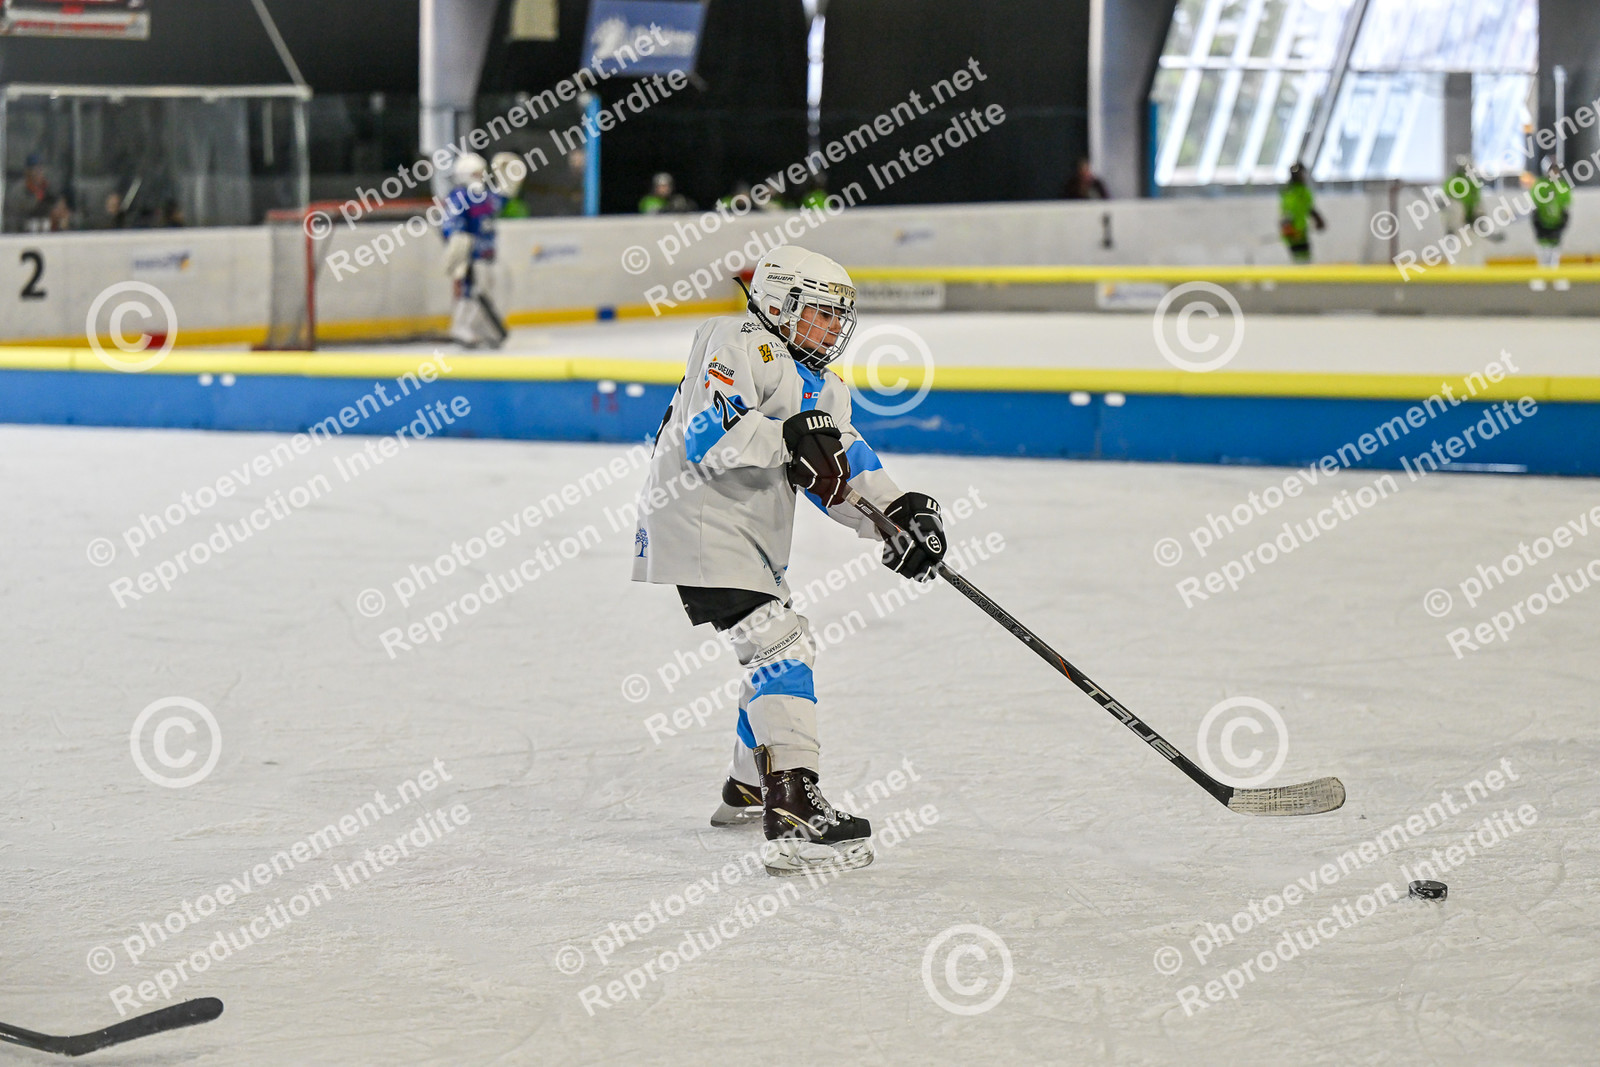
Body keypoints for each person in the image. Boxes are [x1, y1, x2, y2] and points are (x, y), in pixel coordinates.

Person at [630, 244, 947, 876]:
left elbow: (839, 466)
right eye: (821, 313)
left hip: (748, 535)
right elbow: (710, 435)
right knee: (781, 646)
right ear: (780, 303)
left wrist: (897, 518)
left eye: (838, 318)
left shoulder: (826, 387)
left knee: (776, 647)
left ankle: (750, 784)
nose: (832, 329)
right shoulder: (733, 339)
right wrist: (791, 437)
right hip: (698, 521)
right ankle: (794, 807)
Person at [440, 153, 508, 349]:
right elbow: (450, 221)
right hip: (471, 253)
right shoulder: (459, 196)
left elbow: (496, 205)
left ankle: (481, 329)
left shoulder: (483, 195)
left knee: (486, 292)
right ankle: (461, 328)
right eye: (476, 173)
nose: (480, 177)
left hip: (486, 252)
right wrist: (456, 238)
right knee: (469, 291)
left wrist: (506, 187)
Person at [1279, 162, 1326, 264]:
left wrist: (1318, 219)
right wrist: (1288, 228)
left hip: (1302, 231)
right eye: (1301, 174)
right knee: (1299, 259)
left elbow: (1308, 207)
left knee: (1306, 258)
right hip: (1293, 233)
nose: (1303, 176)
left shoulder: (1304, 191)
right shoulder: (1289, 192)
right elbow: (1285, 212)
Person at [6, 153, 66, 233]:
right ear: (27, 172)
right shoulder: (18, 191)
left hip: (51, 234)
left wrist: (59, 214)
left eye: (41, 169)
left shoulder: (50, 188)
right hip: (24, 234)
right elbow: (12, 219)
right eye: (35, 169)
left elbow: (60, 208)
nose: (39, 173)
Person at [1530, 157, 1572, 270]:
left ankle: (1554, 273)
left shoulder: (1563, 187)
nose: (1554, 172)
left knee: (1555, 253)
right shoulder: (1539, 186)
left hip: (1556, 223)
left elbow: (1565, 208)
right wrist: (1537, 222)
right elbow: (1534, 206)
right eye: (1552, 170)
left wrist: (1563, 222)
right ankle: (1542, 273)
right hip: (1542, 223)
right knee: (1543, 252)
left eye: (1556, 170)